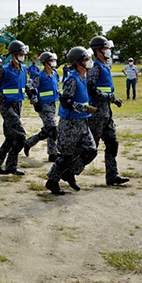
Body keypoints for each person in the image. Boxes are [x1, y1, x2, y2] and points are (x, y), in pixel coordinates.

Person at [45, 46, 98, 195]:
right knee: (66, 156)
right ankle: (52, 181)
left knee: (91, 151)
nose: (90, 61)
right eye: (86, 59)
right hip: (70, 124)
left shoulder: (84, 77)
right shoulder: (72, 80)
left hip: (82, 122)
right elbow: (66, 102)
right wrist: (85, 108)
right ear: (78, 63)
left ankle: (70, 173)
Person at [87, 36, 129, 186]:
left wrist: (112, 99)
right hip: (97, 112)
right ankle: (65, 172)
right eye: (106, 49)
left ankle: (112, 175)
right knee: (90, 148)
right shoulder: (95, 67)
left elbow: (104, 88)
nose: (109, 52)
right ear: (98, 51)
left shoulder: (105, 66)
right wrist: (107, 97)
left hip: (106, 111)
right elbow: (90, 87)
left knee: (112, 142)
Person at [0, 40, 30, 176]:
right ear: (13, 55)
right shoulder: (4, 70)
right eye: (20, 54)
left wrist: (34, 97)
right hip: (7, 106)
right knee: (21, 136)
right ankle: (11, 166)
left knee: (10, 138)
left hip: (18, 105)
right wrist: (3, 98)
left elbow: (26, 86)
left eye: (23, 54)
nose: (23, 56)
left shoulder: (23, 70)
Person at [24, 52, 59, 162]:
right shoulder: (40, 76)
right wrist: (34, 102)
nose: (53, 62)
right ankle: (52, 152)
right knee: (53, 128)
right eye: (51, 60)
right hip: (43, 106)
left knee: (49, 130)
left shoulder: (54, 74)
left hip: (53, 104)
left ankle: (31, 144)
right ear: (46, 63)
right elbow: (31, 88)